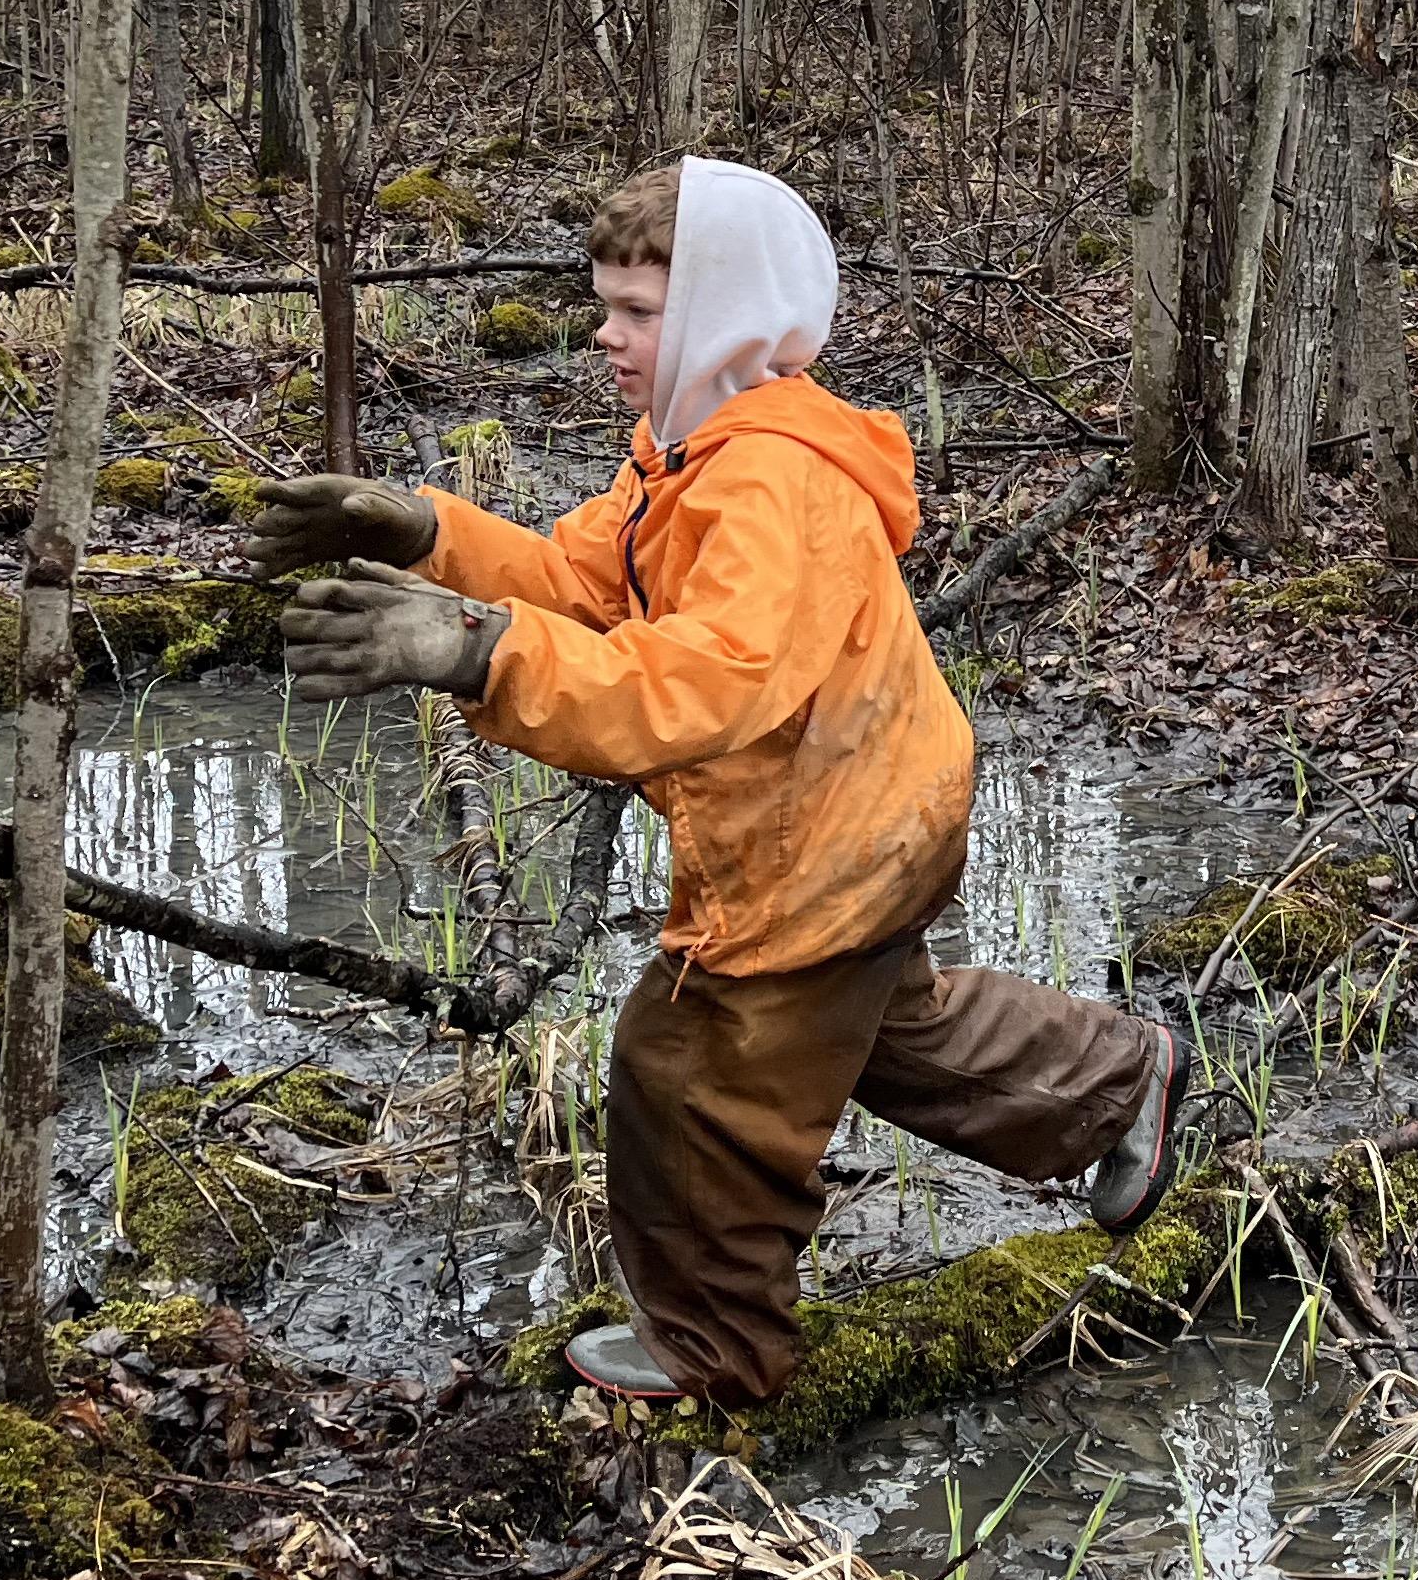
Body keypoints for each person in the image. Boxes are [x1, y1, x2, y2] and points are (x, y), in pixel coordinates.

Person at [243, 157, 1185, 1406]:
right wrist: (429, 535)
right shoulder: (691, 450)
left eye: (639, 312)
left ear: (723, 317)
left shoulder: (767, 481)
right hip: (870, 809)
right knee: (883, 1029)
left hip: (828, 837)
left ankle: (720, 1355)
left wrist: (471, 649)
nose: (606, 334)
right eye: (606, 304)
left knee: (690, 1072)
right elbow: (587, 582)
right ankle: (1122, 1081)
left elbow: (703, 684)